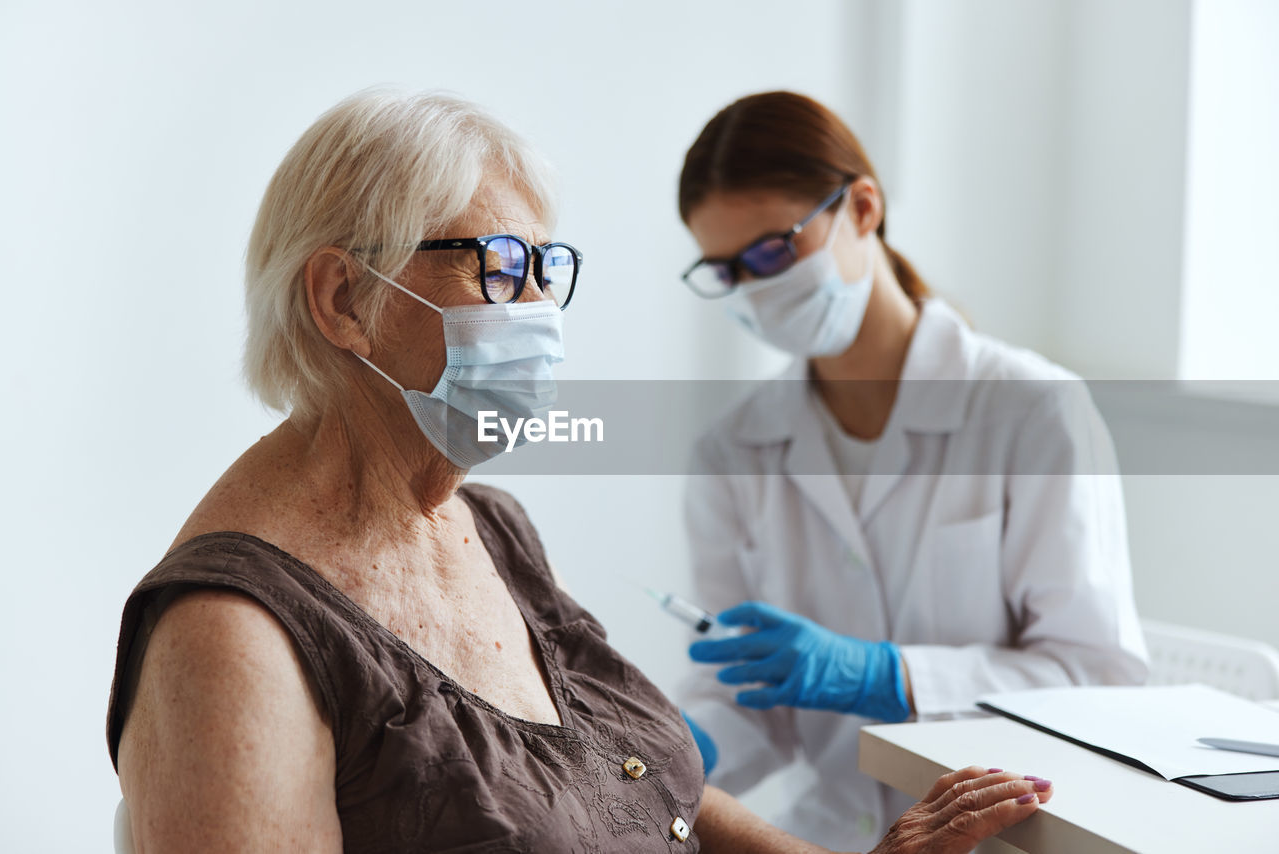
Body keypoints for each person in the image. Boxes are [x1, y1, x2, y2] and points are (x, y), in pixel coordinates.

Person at [106, 89, 1053, 853]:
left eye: (545, 269)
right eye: (500, 264)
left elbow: (639, 792)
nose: (538, 312)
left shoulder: (490, 527)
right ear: (344, 298)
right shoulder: (234, 637)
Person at [675, 91, 1146, 850]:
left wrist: (893, 677)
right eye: (728, 270)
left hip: (1009, 837)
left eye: (773, 250)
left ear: (862, 208)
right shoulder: (733, 450)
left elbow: (1099, 678)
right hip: (832, 833)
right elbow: (749, 694)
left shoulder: (1030, 410)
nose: (757, 287)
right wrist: (679, 745)